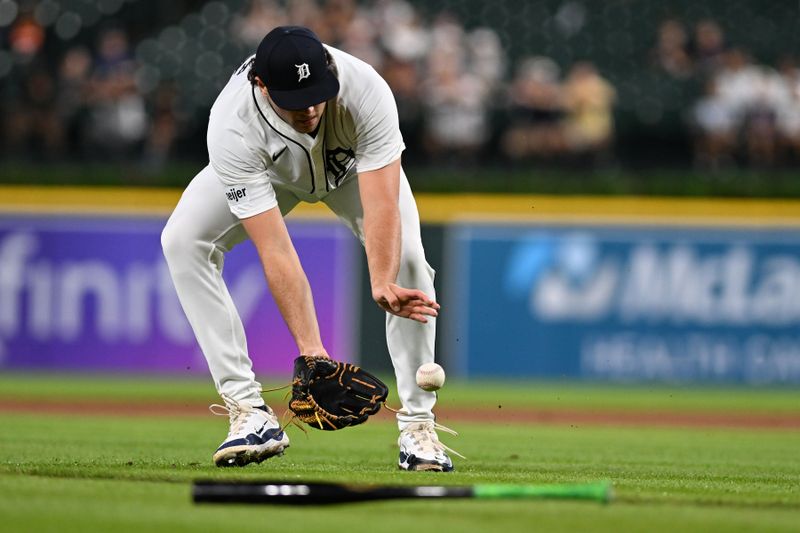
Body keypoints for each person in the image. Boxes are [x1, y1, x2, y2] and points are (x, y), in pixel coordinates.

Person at [161, 26, 456, 471]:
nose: (311, 107)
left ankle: (418, 428)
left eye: (317, 93)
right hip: (271, 174)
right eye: (296, 100)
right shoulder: (231, 125)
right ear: (261, 84)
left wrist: (381, 278)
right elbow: (276, 251)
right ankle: (248, 412)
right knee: (183, 242)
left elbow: (382, 208)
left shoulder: (365, 89)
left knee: (410, 262)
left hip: (353, 171)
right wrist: (313, 352)